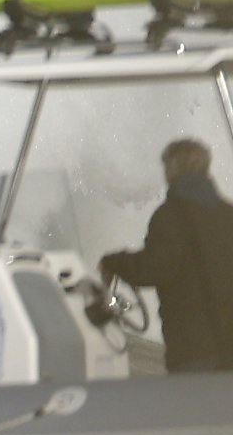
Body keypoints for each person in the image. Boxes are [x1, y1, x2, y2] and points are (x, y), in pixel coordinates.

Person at [100, 138, 233, 372]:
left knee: (193, 408)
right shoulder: (227, 214)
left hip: (194, 349)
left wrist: (114, 262)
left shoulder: (171, 216)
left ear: (172, 171)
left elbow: (156, 268)